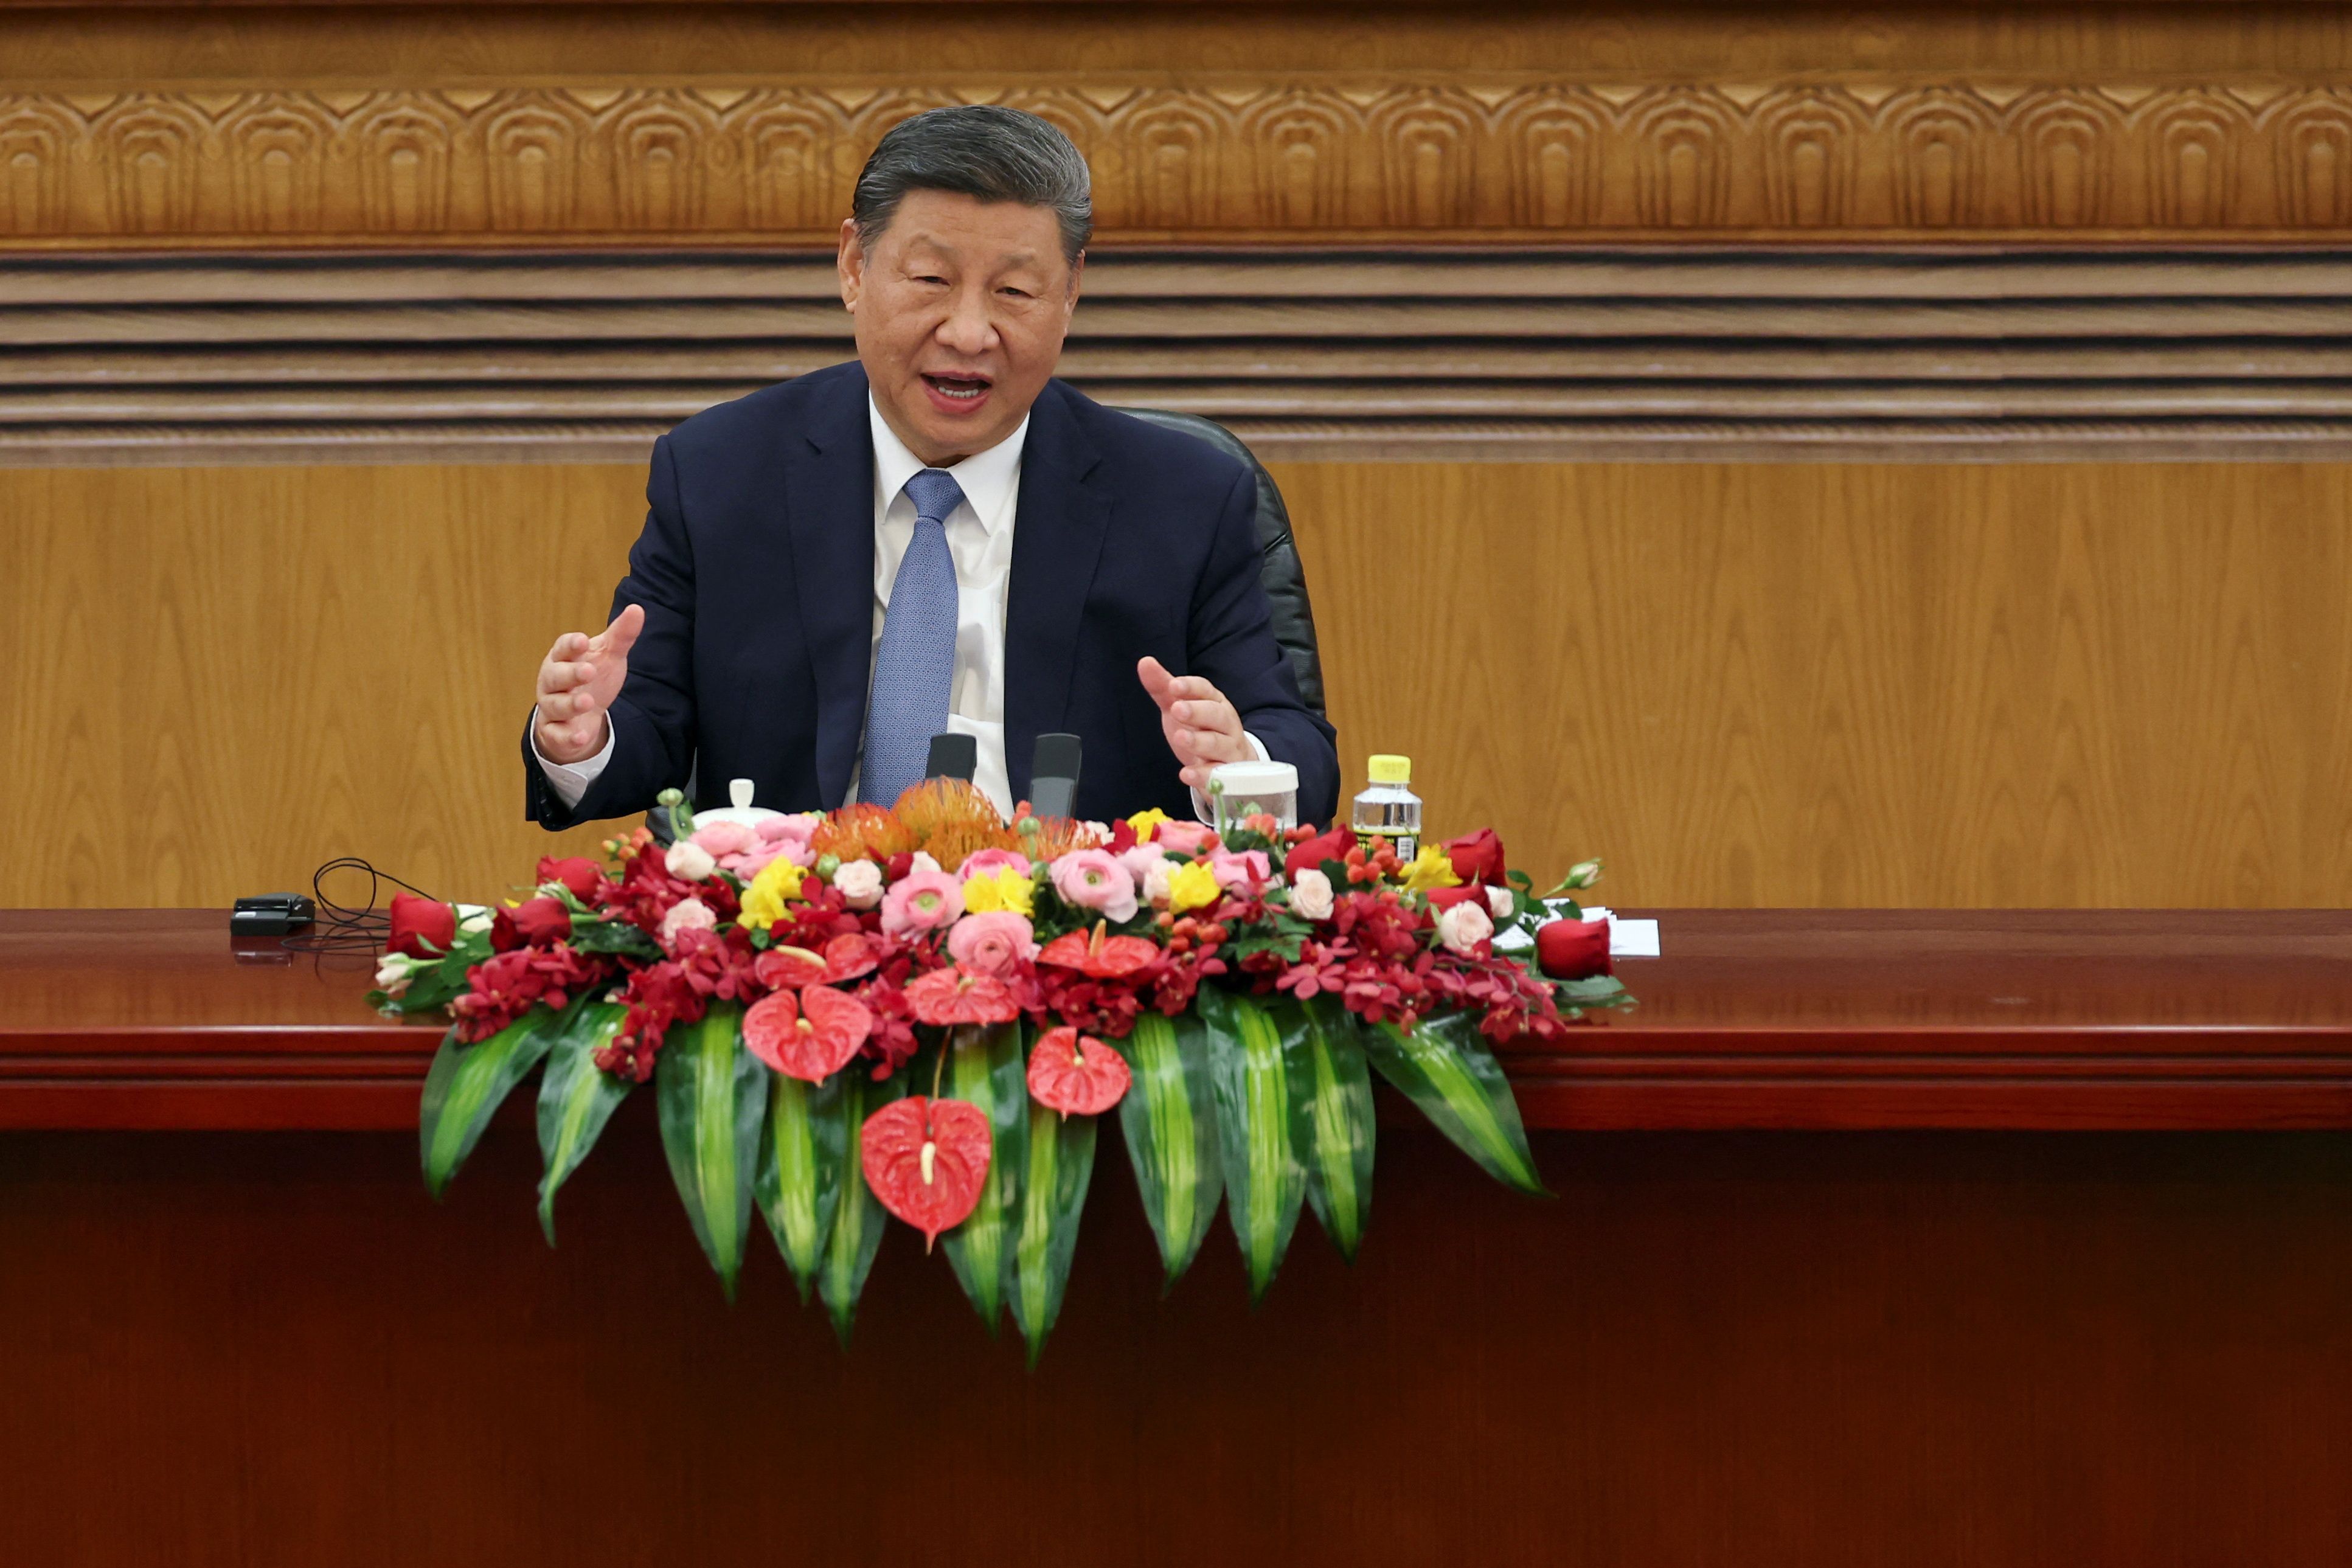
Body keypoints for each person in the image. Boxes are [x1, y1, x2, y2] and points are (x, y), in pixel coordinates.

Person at [524, 105, 1337, 831]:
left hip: (1079, 954)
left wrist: (1239, 759)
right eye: (931, 281)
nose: (970, 332)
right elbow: (648, 730)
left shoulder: (1183, 496)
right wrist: (582, 735)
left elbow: (1302, 752)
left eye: (1016, 291)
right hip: (798, 952)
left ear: (1072, 291)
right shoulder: (720, 473)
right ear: (853, 267)